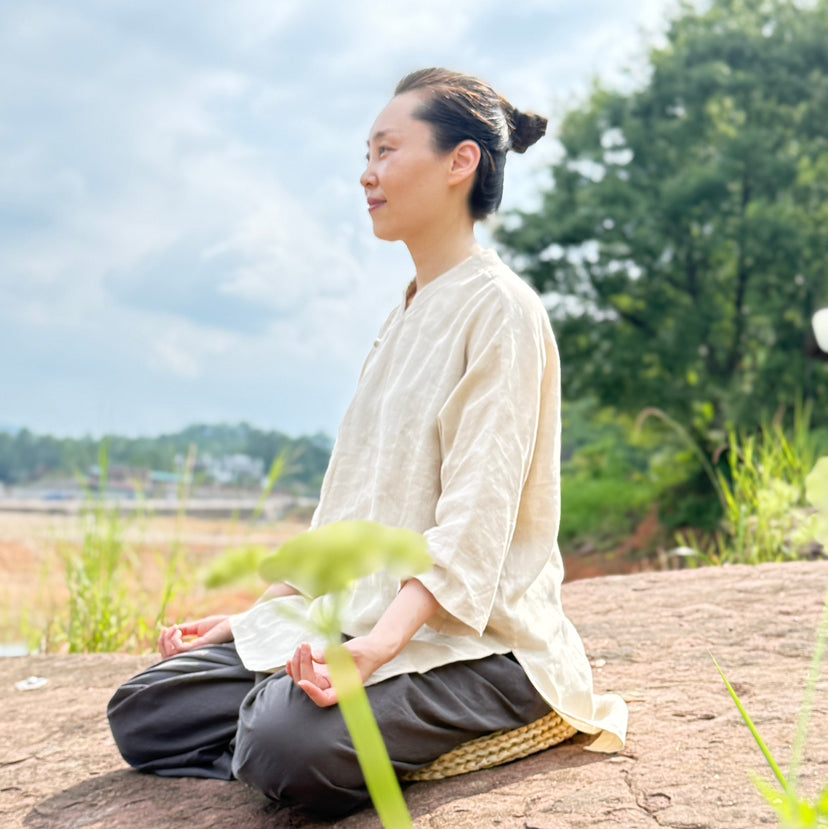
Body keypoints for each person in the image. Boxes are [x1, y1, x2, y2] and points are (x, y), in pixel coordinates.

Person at [107, 67, 628, 818]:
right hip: (361, 611)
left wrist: (374, 650)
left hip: (481, 644)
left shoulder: (501, 311)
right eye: (366, 154)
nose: (367, 175)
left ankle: (336, 726)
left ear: (461, 162)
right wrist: (253, 618)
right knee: (149, 708)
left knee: (285, 741)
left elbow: (475, 520)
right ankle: (288, 720)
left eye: (386, 151)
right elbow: (348, 510)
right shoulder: (407, 314)